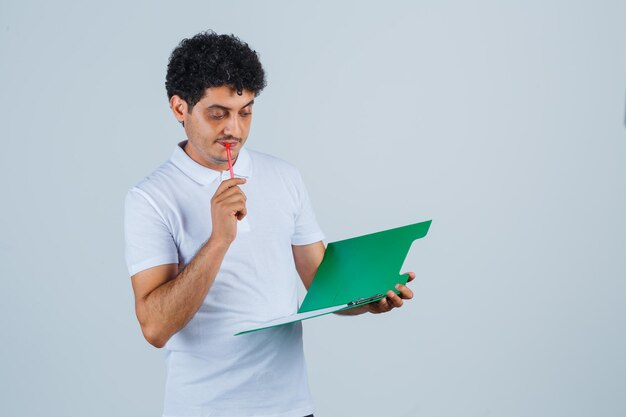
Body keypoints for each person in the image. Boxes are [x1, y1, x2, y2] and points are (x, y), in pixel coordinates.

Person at [124, 30, 415, 417]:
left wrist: (369, 299)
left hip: (290, 407)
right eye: (218, 113)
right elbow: (155, 328)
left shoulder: (284, 176)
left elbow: (321, 285)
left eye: (245, 112)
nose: (235, 129)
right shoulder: (150, 198)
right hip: (203, 409)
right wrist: (218, 240)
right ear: (180, 108)